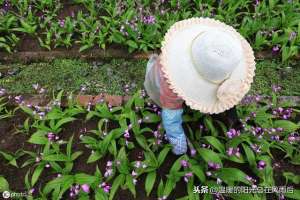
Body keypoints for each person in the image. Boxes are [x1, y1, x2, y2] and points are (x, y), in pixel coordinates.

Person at [144, 17, 256, 155]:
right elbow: (170, 117)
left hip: (202, 71)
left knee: (227, 96)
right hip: (162, 82)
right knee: (170, 106)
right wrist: (179, 146)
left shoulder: (219, 51)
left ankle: (232, 119)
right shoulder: (170, 82)